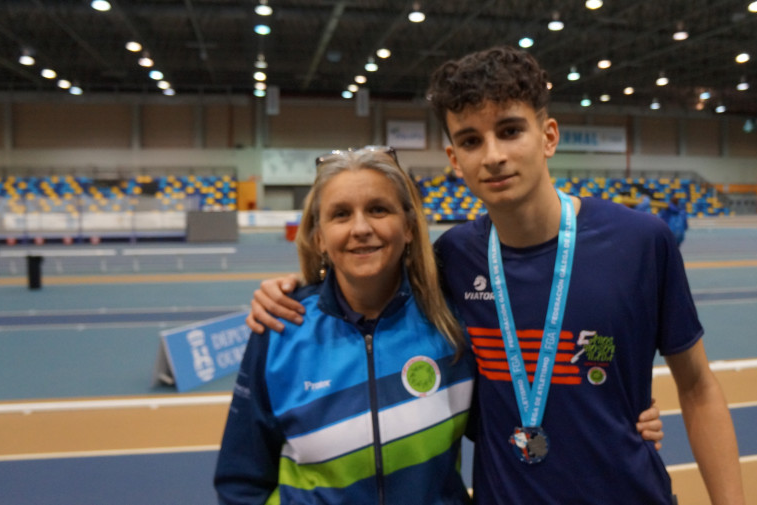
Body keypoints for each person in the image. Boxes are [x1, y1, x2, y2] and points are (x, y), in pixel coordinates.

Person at [247, 44, 728, 503]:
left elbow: (699, 387)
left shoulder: (642, 241)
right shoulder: (452, 258)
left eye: (511, 131)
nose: (493, 155)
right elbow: (367, 295)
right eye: (472, 140)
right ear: (455, 159)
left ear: (549, 137)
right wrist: (291, 291)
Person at [215, 147, 476, 504]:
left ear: (410, 227)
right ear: (320, 237)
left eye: (378, 209)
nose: (361, 228)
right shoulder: (280, 329)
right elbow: (241, 482)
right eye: (340, 214)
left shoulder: (453, 323)